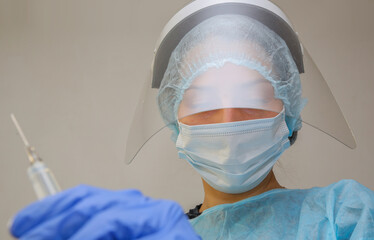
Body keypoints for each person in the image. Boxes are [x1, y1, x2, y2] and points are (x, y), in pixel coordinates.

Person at [10, 1, 374, 239]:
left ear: (289, 110)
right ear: (174, 119)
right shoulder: (154, 233)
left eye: (251, 95)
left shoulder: (345, 216)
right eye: (203, 99)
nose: (229, 118)